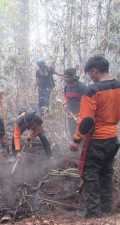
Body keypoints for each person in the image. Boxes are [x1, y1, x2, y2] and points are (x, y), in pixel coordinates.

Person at [70, 55, 120, 218]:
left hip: (98, 139)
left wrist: (76, 139)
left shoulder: (92, 90)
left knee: (90, 174)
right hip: (113, 137)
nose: (90, 78)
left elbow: (87, 121)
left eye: (89, 74)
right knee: (106, 172)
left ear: (95, 71)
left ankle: (93, 214)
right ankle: (106, 210)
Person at [63, 68, 87, 137]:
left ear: (73, 77)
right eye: (64, 77)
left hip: (80, 116)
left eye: (67, 77)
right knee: (72, 132)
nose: (65, 79)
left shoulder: (81, 87)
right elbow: (65, 97)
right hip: (70, 114)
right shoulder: (66, 87)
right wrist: (65, 103)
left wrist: (80, 114)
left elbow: (86, 102)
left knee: (81, 133)